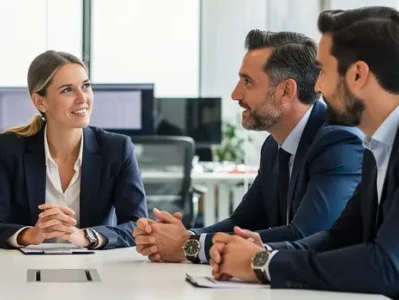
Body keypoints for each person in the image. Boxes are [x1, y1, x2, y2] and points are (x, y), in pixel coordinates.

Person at [209, 7, 399, 300]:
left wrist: (261, 264)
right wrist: (261, 251)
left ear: (358, 74)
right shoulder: (384, 144)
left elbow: (385, 266)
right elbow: (339, 237)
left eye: (323, 71)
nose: (318, 87)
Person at [134, 29, 364, 264]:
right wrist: (182, 237)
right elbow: (243, 222)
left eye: (248, 82)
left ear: (286, 91)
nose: (235, 94)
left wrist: (188, 246)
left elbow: (305, 235)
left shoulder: (338, 142)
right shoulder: (273, 147)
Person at [0, 50, 148, 249]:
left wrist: (87, 236)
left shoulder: (116, 149)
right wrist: (30, 234)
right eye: (67, 90)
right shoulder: (9, 148)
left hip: (96, 267)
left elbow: (139, 227)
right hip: (24, 269)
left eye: (86, 86)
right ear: (41, 101)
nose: (83, 98)